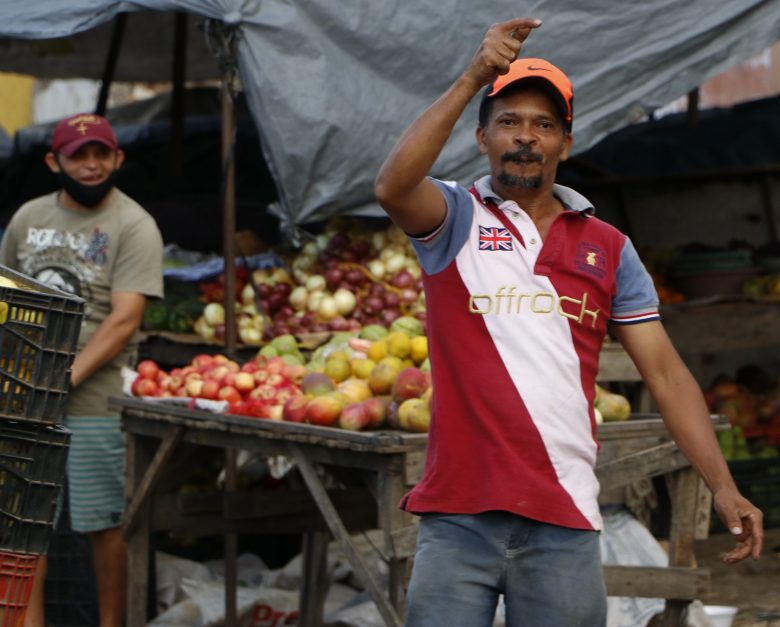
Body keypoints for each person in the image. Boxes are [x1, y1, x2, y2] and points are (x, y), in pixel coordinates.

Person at [374, 17, 764, 627]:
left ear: (566, 143)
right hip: (457, 519)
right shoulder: (454, 220)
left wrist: (722, 484)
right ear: (482, 138)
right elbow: (393, 186)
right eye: (508, 122)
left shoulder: (608, 248)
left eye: (543, 124)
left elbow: (665, 374)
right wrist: (474, 75)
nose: (525, 137)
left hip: (564, 518)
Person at [0, 113, 164, 627]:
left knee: (104, 523)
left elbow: (124, 321)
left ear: (118, 158)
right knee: (25, 528)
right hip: (25, 401)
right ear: (55, 162)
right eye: (78, 155)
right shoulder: (26, 219)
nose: (91, 165)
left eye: (101, 154)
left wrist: (60, 380)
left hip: (95, 400)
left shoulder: (134, 224)